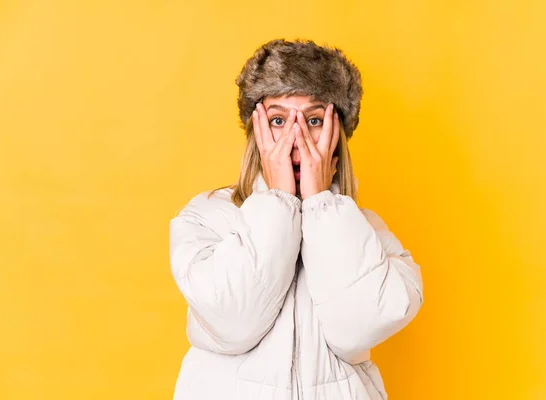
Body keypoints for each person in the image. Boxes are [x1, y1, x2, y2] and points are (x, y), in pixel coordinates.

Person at [169, 38, 424, 400]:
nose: (295, 136)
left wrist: (321, 205)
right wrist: (279, 202)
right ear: (255, 133)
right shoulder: (206, 218)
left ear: (337, 137)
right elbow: (234, 322)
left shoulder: (367, 231)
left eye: (315, 120)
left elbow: (357, 327)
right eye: (277, 119)